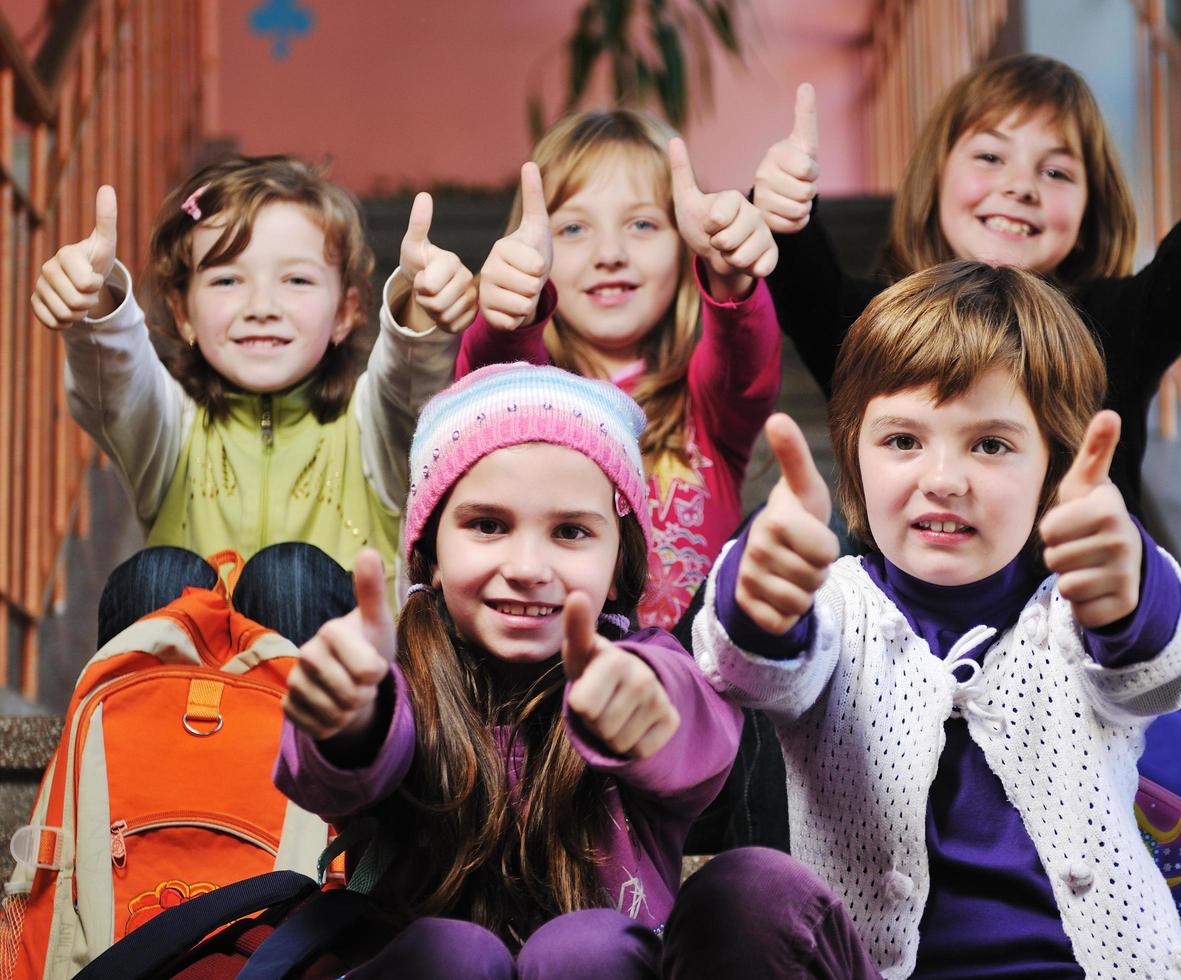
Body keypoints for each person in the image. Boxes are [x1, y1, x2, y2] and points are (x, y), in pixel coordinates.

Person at [680, 262, 1181, 979]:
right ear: (855, 454)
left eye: (990, 444)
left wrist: (1128, 586)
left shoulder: (1076, 607)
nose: (943, 478)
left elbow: (1155, 674)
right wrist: (761, 589)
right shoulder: (840, 605)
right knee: (738, 888)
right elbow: (753, 668)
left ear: (1054, 467)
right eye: (903, 441)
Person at [276, 363, 743, 977]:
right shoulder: (400, 683)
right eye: (488, 526)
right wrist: (352, 722)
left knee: (586, 948)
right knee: (454, 952)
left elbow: (697, 738)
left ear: (616, 568)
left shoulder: (649, 668)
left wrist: (641, 712)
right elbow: (331, 778)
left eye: (571, 531)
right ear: (431, 555)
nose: (527, 566)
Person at [752, 55, 1181, 515]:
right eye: (990, 157)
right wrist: (783, 211)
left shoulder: (1112, 325)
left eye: (1056, 173)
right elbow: (806, 293)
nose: (1021, 186)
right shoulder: (879, 322)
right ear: (936, 176)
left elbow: (1176, 298)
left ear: (1091, 209)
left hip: (1086, 617)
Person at [30, 155, 475, 621]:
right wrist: (93, 303)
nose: (262, 305)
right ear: (183, 314)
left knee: (289, 573)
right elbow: (116, 383)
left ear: (345, 313)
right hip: (193, 690)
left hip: (332, 685)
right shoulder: (168, 434)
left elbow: (408, 382)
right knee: (157, 574)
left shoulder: (371, 435)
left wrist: (422, 308)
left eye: (296, 279)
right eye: (227, 279)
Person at [463, 109, 782, 631]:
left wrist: (730, 279)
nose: (609, 253)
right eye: (572, 228)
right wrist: (508, 320)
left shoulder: (705, 406)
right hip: (549, 682)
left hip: (692, 691)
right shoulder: (528, 391)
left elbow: (743, 363)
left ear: (684, 245)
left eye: (642, 224)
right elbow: (494, 393)